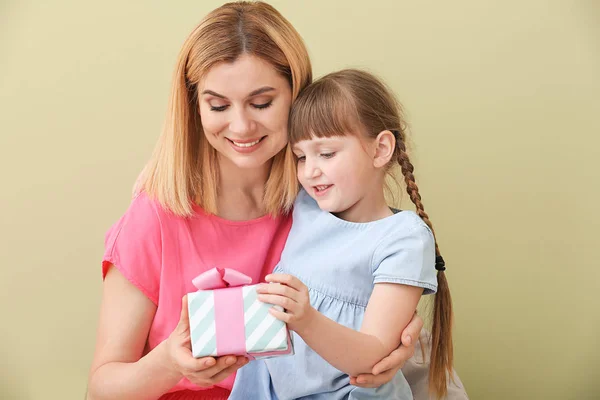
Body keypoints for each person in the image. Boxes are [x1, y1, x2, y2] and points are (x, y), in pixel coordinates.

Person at [86, 2, 466, 400]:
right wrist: (169, 363)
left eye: (262, 103)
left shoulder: (320, 201)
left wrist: (399, 343)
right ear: (194, 107)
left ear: (296, 96)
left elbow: (378, 268)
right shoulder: (156, 216)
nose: (241, 126)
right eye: (218, 105)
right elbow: (100, 390)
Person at [228, 69, 453, 399]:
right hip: (272, 388)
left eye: (327, 153)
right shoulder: (306, 206)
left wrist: (306, 320)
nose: (309, 170)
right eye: (301, 156)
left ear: (380, 150)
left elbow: (374, 356)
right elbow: (234, 170)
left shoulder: (403, 238)